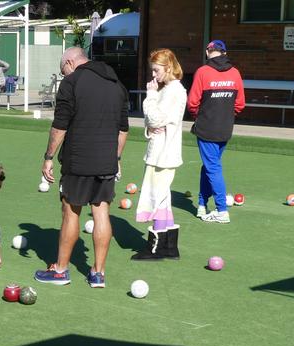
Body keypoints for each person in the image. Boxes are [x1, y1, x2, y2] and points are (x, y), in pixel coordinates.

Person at [34, 47, 129, 288]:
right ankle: (98, 273)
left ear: (69, 62)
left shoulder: (72, 82)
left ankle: (61, 270)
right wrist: (115, 158)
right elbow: (123, 129)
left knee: (70, 211)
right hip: (106, 161)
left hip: (78, 160)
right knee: (101, 212)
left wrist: (48, 157)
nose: (63, 74)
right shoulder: (117, 84)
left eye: (62, 70)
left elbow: (60, 125)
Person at [131, 49, 187, 261]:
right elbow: (153, 123)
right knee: (163, 197)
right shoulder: (170, 89)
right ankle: (170, 248)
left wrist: (151, 96)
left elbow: (154, 119)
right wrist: (151, 125)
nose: (153, 75)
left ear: (168, 67)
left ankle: (156, 248)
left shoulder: (173, 90)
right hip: (160, 149)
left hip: (164, 152)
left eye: (156, 70)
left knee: (157, 196)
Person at [187, 40, 245, 224]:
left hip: (207, 128)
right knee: (209, 166)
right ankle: (202, 205)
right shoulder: (235, 72)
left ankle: (222, 210)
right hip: (225, 128)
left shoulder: (203, 72)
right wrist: (226, 115)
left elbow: (192, 103)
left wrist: (202, 116)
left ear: (207, 51)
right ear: (224, 53)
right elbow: (240, 104)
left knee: (213, 167)